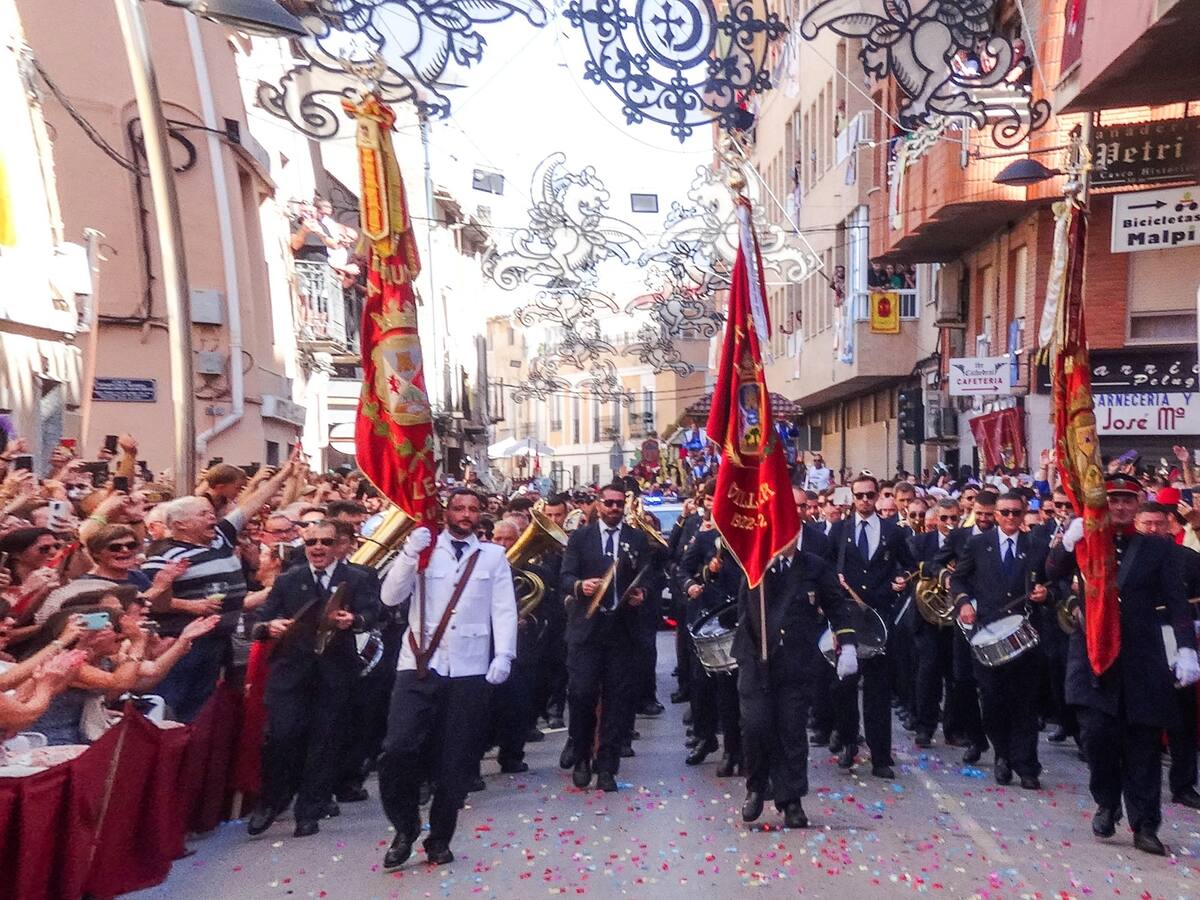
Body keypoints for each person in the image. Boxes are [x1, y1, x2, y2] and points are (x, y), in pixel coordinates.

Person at [1049, 474, 1199, 856]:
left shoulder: (1158, 549)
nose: (1119, 506)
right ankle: (1107, 802)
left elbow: (1177, 602)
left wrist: (1186, 649)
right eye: (1112, 499)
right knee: (1097, 739)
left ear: (1138, 505)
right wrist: (1069, 541)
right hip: (1094, 658)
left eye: (1127, 500)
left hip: (1141, 659)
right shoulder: (1088, 538)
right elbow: (1051, 572)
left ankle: (1145, 825)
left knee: (1143, 745)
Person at [377, 489, 517, 870]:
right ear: (446, 512)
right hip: (420, 662)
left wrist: (504, 653)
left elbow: (503, 609)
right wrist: (408, 554)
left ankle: (439, 838)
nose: (466, 514)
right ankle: (405, 826)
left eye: (472, 509)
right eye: (459, 508)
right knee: (398, 747)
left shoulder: (493, 556)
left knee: (455, 760)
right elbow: (390, 598)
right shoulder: (423, 548)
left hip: (470, 668)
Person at [246, 519, 380, 838]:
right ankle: (273, 799)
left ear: (339, 546)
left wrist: (355, 620)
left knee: (324, 742)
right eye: (311, 543)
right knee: (282, 736)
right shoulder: (288, 580)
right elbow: (261, 620)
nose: (318, 548)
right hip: (291, 673)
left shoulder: (358, 578)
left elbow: (374, 614)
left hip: (335, 673)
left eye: (325, 542)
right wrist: (271, 627)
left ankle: (310, 810)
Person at [141, 461, 296, 721]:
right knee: (174, 706)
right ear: (179, 524)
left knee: (204, 709)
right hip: (182, 644)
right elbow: (146, 601)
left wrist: (284, 474)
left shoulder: (220, 537)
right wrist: (189, 606)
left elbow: (252, 505)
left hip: (218, 642)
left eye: (210, 512)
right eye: (202, 514)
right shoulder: (163, 554)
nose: (212, 516)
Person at [736, 546, 856, 828]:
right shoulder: (754, 562)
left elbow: (836, 607)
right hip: (756, 658)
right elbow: (744, 608)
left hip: (796, 660)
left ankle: (791, 800)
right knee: (756, 724)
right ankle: (756, 787)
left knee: (791, 729)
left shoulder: (814, 566)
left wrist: (847, 643)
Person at [558, 483, 657, 792]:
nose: (615, 508)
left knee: (617, 702)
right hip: (587, 630)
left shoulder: (636, 538)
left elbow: (650, 575)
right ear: (599, 505)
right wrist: (580, 587)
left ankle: (607, 766)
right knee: (582, 694)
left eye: (619, 504)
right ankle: (582, 754)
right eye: (609, 503)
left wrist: (643, 593)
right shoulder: (580, 538)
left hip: (621, 630)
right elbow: (564, 577)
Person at [949, 492, 1049, 790]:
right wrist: (964, 602)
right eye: (1003, 512)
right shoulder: (979, 544)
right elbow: (959, 579)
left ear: (1023, 514)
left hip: (1025, 636)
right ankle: (1003, 754)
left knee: (1025, 703)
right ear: (995, 514)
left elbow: (1051, 582)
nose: (1009, 518)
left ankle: (1027, 765)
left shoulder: (1036, 546)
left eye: (1016, 513)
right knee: (993, 701)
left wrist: (1047, 594)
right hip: (989, 634)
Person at [827, 473, 915, 778]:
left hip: (880, 617)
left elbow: (911, 566)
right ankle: (849, 743)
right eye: (859, 495)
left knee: (878, 691)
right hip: (848, 620)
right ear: (852, 497)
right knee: (844, 687)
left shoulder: (894, 531)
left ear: (878, 496)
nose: (864, 500)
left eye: (869, 494)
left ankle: (880, 756)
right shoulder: (838, 531)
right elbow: (825, 567)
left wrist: (902, 581)